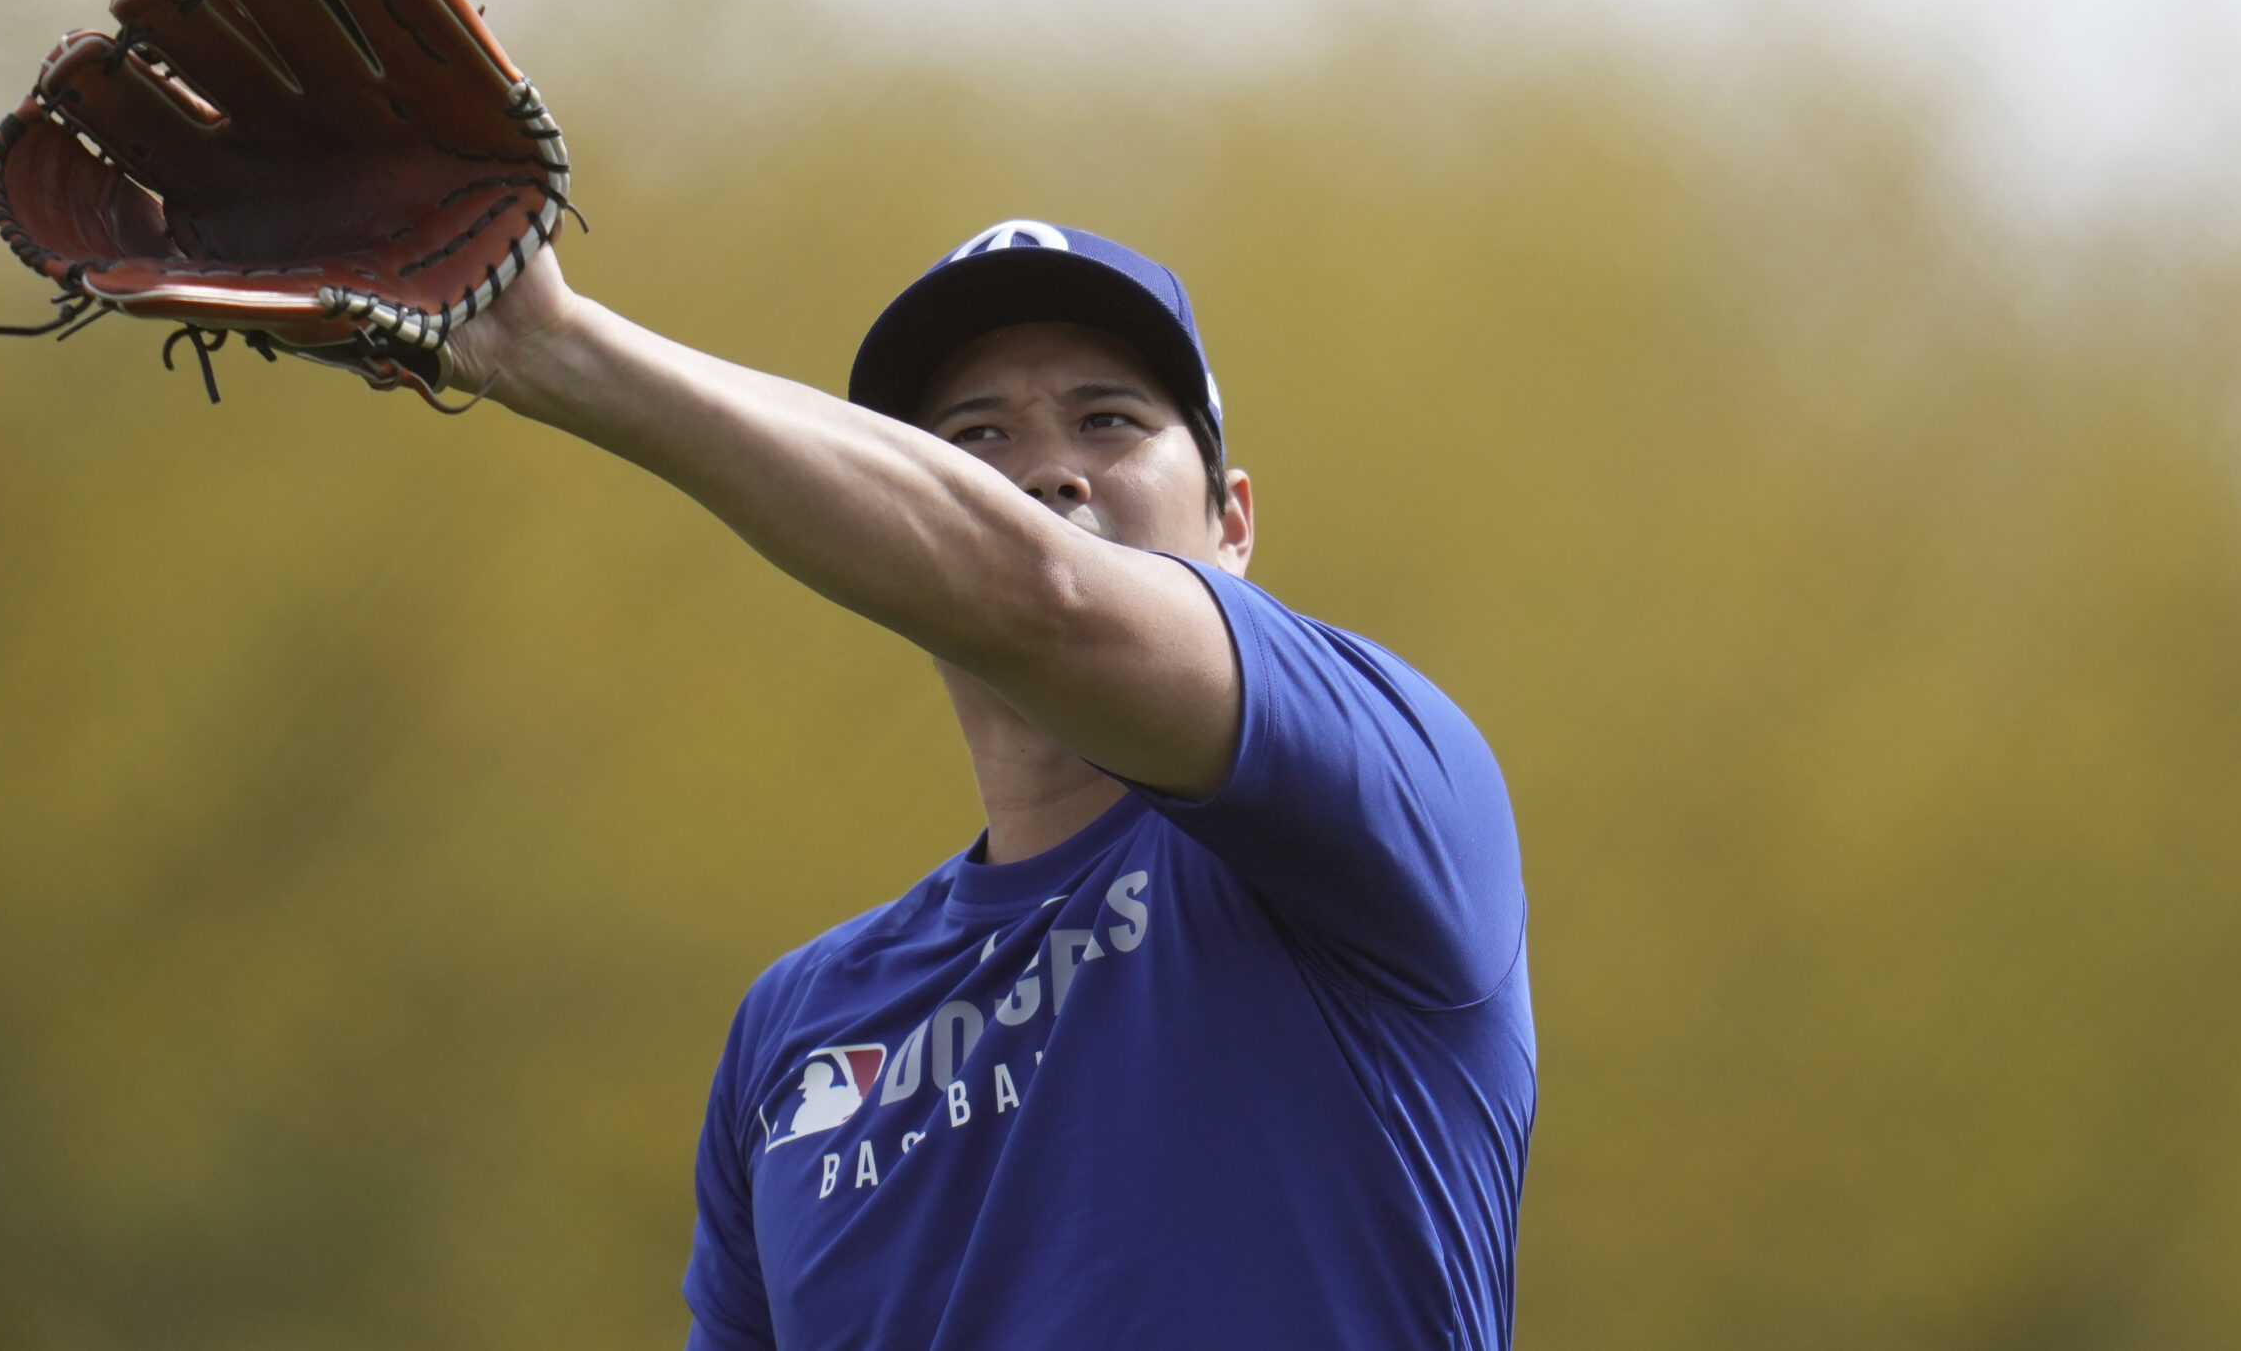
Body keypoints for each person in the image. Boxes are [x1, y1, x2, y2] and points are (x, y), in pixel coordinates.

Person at [445, 219, 1535, 1350]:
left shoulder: (1391, 792)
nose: (1040, 471)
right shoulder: (797, 1029)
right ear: (879, 529)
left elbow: (1045, 596)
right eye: (972, 438)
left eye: (1107, 418)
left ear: (1233, 521)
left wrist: (545, 341)